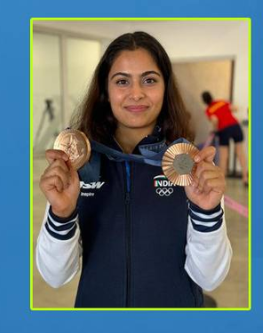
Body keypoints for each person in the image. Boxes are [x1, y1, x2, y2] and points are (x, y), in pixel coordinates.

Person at [36, 32, 231, 308]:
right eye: (122, 81)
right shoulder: (77, 166)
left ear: (165, 87)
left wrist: (206, 211)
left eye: (149, 80)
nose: (136, 93)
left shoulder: (191, 165)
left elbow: (209, 278)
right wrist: (62, 214)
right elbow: (55, 276)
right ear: (105, 91)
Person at [201, 91, 248, 186]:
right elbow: (235, 108)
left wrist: (214, 130)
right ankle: (245, 178)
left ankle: (223, 180)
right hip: (235, 126)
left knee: (223, 156)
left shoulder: (209, 110)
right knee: (240, 153)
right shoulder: (221, 102)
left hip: (224, 130)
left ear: (204, 101)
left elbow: (215, 120)